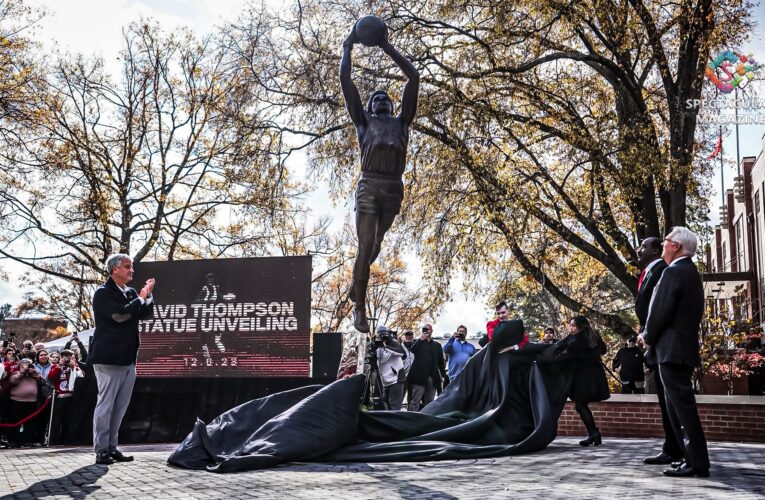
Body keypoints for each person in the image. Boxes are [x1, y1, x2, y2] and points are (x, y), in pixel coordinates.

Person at [340, 20, 420, 333]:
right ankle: (359, 306)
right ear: (371, 107)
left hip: (393, 189)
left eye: (387, 96)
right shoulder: (363, 123)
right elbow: (345, 79)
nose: (382, 98)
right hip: (369, 185)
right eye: (377, 98)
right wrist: (348, 46)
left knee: (375, 246)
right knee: (365, 245)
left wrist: (386, 46)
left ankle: (355, 284)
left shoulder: (402, 123)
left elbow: (413, 76)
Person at [641, 227, 710, 478]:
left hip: (672, 351)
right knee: (677, 409)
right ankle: (690, 459)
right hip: (679, 350)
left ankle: (697, 462)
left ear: (677, 247)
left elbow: (660, 310)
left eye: (666, 242)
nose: (662, 247)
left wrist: (646, 336)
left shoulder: (674, 272)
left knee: (681, 409)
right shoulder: (690, 272)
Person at [89, 253, 155, 465]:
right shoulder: (103, 293)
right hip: (108, 358)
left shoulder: (131, 292)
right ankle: (100, 449)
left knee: (120, 407)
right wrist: (141, 298)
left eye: (132, 266)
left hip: (128, 358)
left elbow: (144, 314)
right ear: (114, 269)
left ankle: (111, 447)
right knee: (105, 405)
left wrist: (147, 297)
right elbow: (120, 316)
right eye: (127, 266)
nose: (131, 270)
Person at [634, 236, 683, 467]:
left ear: (655, 250)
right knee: (664, 400)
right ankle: (671, 447)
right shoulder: (650, 272)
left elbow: (660, 308)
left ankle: (675, 449)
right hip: (653, 342)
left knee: (669, 400)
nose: (638, 250)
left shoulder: (662, 270)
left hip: (662, 344)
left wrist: (649, 336)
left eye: (643, 246)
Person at [557, 316, 609, 446]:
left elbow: (562, 349)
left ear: (581, 326)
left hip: (584, 375)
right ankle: (593, 434)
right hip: (594, 374)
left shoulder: (577, 339)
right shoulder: (593, 335)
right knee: (581, 404)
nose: (571, 328)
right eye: (570, 325)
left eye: (573, 325)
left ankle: (594, 433)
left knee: (580, 404)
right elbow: (603, 350)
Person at [47, 349, 85, 445]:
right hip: (59, 396)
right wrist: (60, 366)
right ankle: (54, 439)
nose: (67, 358)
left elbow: (82, 376)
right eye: (65, 356)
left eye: (69, 356)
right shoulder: (56, 366)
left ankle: (67, 438)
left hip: (71, 397)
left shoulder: (75, 367)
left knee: (69, 420)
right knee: (56, 419)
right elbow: (51, 377)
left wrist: (74, 367)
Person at [406, 324, 446, 411]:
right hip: (419, 377)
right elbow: (413, 350)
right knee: (415, 401)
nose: (426, 330)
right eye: (424, 329)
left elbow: (440, 362)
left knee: (430, 402)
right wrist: (421, 339)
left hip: (432, 377)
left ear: (431, 330)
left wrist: (443, 374)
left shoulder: (437, 345)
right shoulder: (418, 342)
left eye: (428, 329)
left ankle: (426, 420)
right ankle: (411, 420)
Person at [7, 358, 45, 446]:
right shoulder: (16, 373)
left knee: (30, 423)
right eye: (24, 363)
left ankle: (27, 440)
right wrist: (22, 372)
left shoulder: (35, 375)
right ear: (20, 365)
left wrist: (34, 373)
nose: (27, 365)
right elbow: (13, 381)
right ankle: (14, 441)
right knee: (15, 422)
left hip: (31, 402)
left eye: (29, 363)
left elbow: (43, 382)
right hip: (16, 401)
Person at [374, 326, 406, 411]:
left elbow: (402, 353)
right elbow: (375, 359)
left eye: (384, 334)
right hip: (385, 381)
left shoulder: (393, 342)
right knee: (386, 405)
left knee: (394, 406)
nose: (382, 337)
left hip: (396, 379)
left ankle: (395, 423)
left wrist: (386, 346)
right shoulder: (378, 345)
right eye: (380, 335)